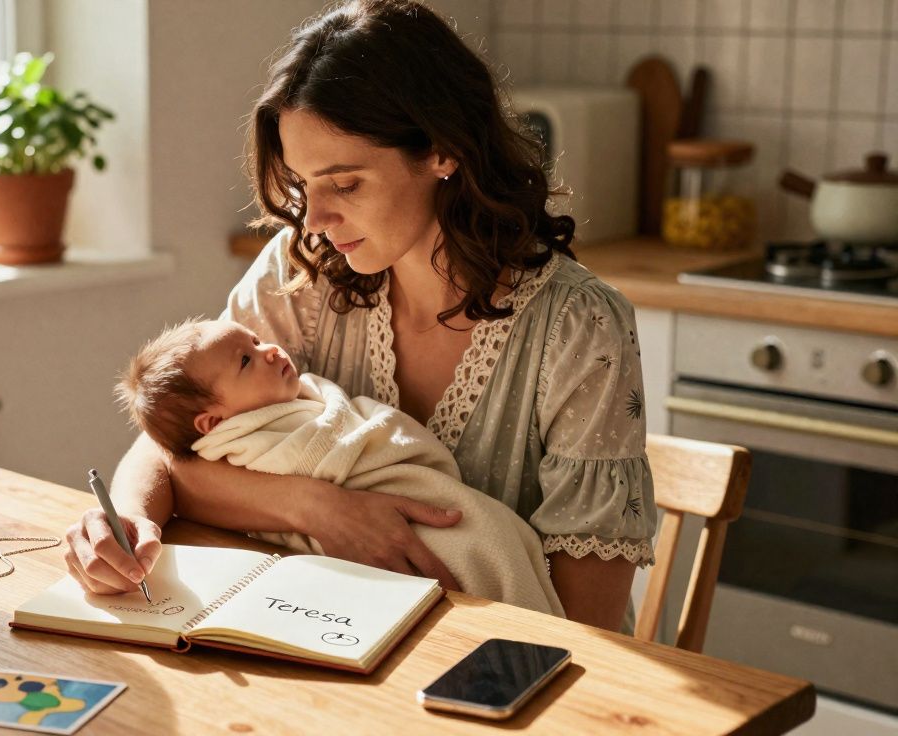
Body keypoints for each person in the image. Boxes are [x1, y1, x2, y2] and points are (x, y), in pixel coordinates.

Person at [64, 0, 656, 632]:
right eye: (302, 185)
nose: (313, 220)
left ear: (443, 151)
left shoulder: (578, 326)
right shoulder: (302, 270)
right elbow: (174, 445)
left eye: (344, 185)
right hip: (357, 632)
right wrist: (137, 520)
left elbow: (585, 627)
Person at [110, 316, 565, 616]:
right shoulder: (241, 439)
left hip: (410, 512)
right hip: (350, 576)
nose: (269, 349)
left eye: (255, 339)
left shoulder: (275, 398)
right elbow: (169, 457)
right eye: (247, 359)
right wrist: (131, 519)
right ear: (213, 422)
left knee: (493, 539)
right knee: (485, 552)